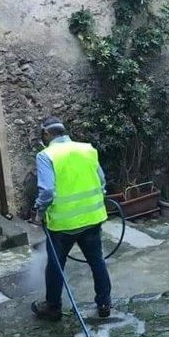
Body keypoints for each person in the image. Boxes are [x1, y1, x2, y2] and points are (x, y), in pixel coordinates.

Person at [30, 117, 112, 321]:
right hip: (92, 219)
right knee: (97, 261)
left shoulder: (46, 155)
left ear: (47, 134)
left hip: (63, 225)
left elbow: (47, 191)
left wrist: (39, 212)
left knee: (56, 265)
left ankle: (53, 307)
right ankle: (104, 304)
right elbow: (102, 181)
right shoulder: (87, 149)